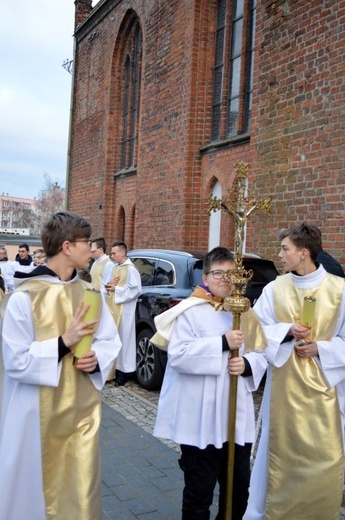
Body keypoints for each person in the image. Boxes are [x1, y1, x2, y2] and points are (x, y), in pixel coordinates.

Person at [0, 211, 121, 520]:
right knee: (33, 499)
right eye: (86, 241)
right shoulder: (24, 299)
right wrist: (63, 342)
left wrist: (96, 362)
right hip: (34, 417)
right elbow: (14, 361)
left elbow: (109, 341)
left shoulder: (90, 293)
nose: (91, 248)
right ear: (67, 246)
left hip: (81, 413)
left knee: (81, 493)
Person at [152, 247, 267, 520]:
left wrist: (248, 365)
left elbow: (263, 352)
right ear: (205, 277)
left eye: (231, 273)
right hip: (200, 419)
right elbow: (179, 355)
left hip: (235, 418)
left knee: (239, 489)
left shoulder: (244, 313)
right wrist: (222, 344)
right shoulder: (190, 311)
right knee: (198, 492)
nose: (225, 279)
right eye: (218, 273)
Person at [244, 223, 345, 520]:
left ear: (303, 253)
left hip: (326, 391)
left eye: (285, 249)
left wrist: (322, 349)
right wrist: (285, 331)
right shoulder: (276, 288)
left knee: (324, 456)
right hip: (284, 391)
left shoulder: (339, 290)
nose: (280, 255)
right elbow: (255, 329)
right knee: (279, 457)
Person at [102, 241, 142, 386]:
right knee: (113, 339)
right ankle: (112, 371)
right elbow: (108, 286)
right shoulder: (115, 267)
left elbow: (136, 290)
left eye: (114, 253)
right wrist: (109, 285)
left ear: (122, 253)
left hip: (125, 311)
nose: (111, 256)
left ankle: (123, 372)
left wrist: (116, 290)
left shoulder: (131, 269)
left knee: (124, 341)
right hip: (113, 308)